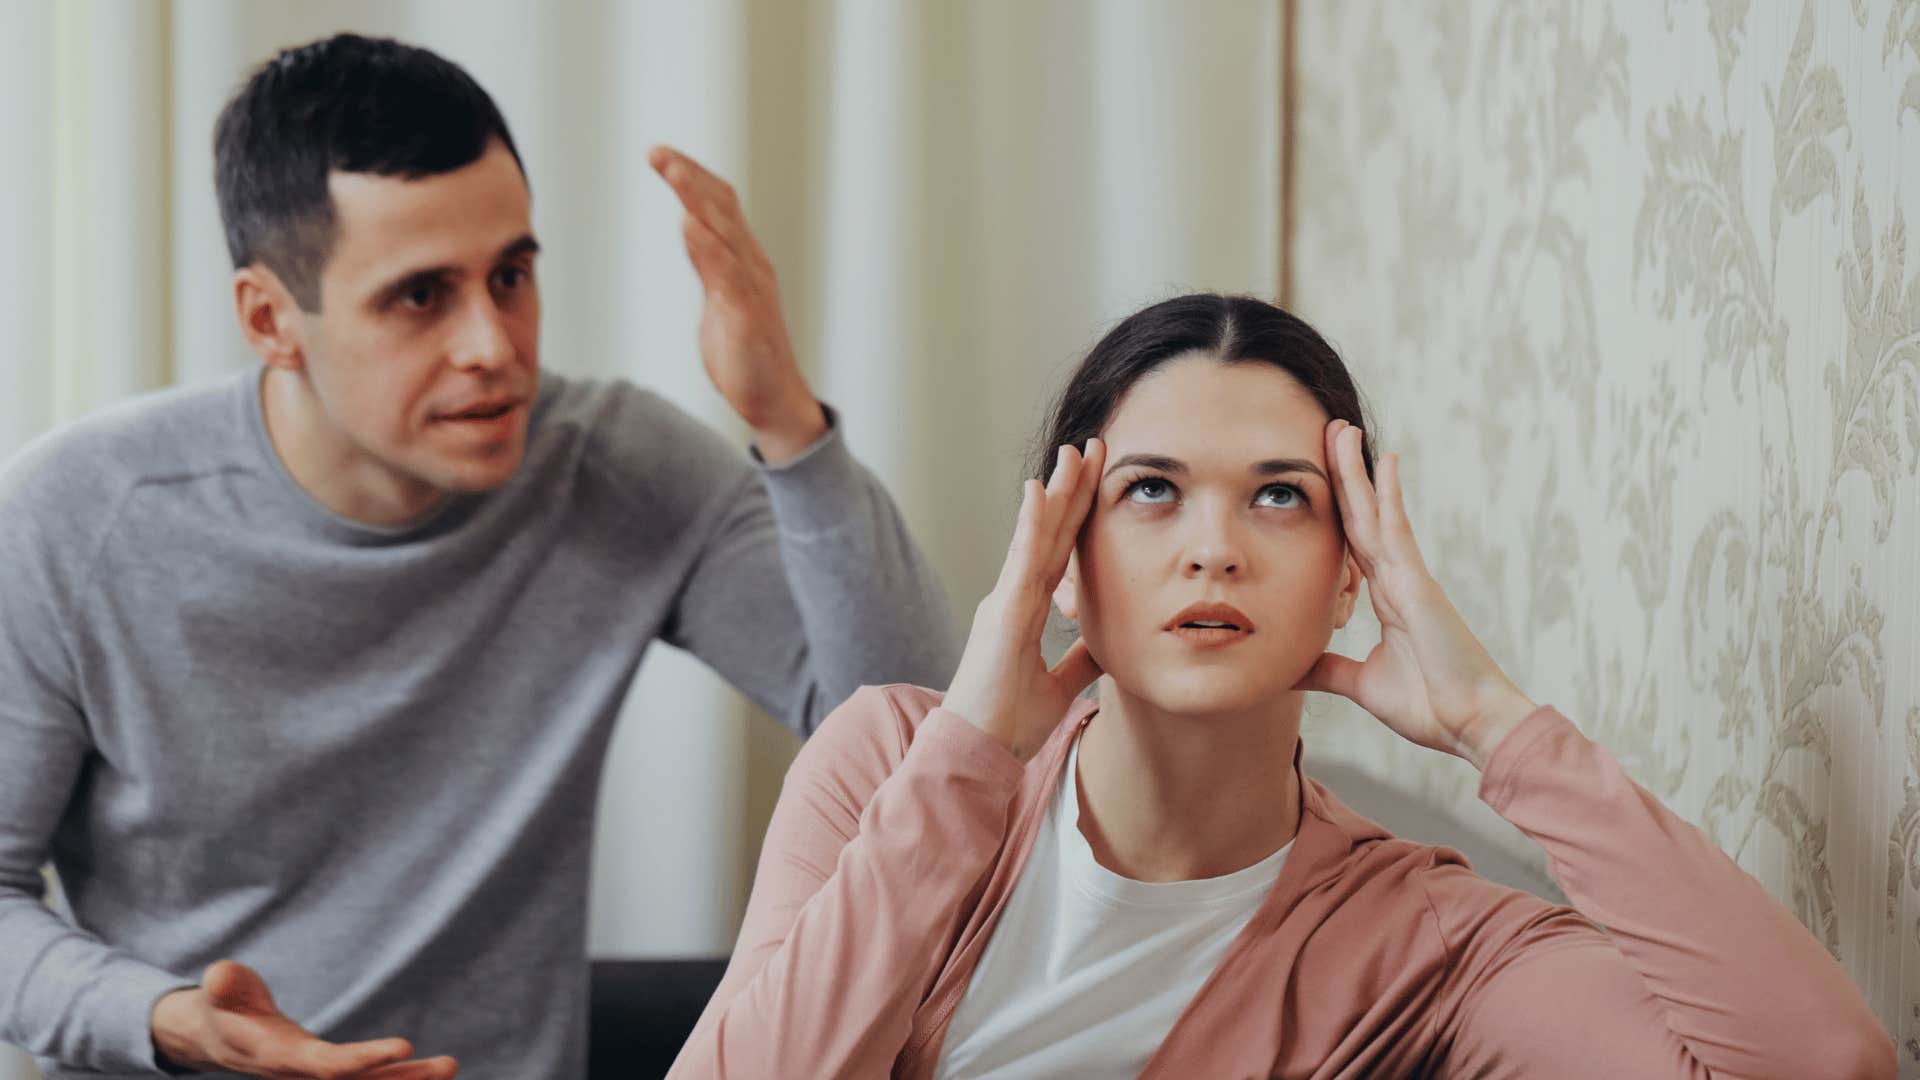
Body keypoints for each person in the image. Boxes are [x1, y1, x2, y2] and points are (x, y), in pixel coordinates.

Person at [0, 32, 959, 1080]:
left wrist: (786, 420)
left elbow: (921, 747)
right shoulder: (75, 517)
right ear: (271, 318)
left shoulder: (616, 467)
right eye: (422, 296)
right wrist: (168, 1020)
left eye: (511, 276)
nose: (494, 346)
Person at [671, 293, 1895, 1078]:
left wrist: (1494, 726)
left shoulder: (1423, 940)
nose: (1215, 547)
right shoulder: (889, 761)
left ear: (1351, 576)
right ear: (1060, 556)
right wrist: (972, 753)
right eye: (1151, 489)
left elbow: (1824, 1064)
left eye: (1279, 495)